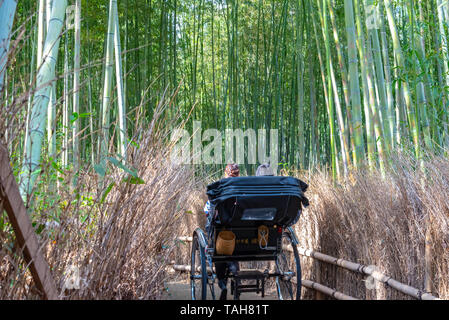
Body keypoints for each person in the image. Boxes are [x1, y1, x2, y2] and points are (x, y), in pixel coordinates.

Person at [204, 163, 240, 300]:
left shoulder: (220, 187)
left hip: (223, 230)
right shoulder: (245, 188)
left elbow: (208, 210)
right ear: (238, 174)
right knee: (234, 256)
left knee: (219, 253)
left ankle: (222, 283)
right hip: (242, 229)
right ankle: (234, 274)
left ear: (226, 174)